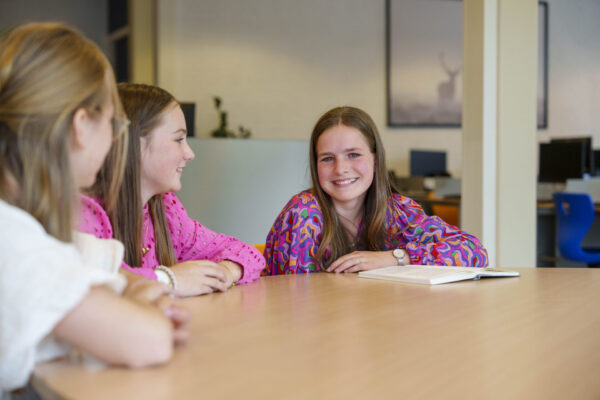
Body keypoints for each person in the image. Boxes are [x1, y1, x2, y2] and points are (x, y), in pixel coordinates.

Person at [0, 23, 189, 395]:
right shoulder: (12, 241)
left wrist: (131, 293)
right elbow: (149, 341)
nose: (116, 138)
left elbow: (111, 267)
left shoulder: (27, 228)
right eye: (113, 123)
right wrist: (138, 307)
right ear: (81, 125)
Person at [80, 83, 265, 297]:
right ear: (134, 145)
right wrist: (170, 279)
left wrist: (223, 272)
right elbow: (97, 282)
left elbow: (244, 251)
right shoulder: (86, 212)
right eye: (178, 140)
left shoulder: (166, 209)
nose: (190, 154)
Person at [263, 106, 488, 274]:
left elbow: (473, 251)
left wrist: (394, 257)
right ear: (315, 165)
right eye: (327, 158)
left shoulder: (397, 211)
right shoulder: (303, 213)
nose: (340, 169)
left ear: (376, 160)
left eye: (353, 155)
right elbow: (295, 299)